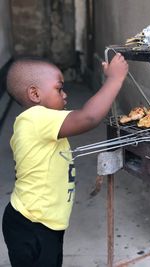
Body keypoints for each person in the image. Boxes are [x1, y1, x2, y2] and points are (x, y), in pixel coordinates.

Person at [2, 53, 128, 267]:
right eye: (59, 89)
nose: (65, 95)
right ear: (34, 94)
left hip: (44, 223)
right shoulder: (35, 119)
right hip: (32, 225)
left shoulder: (36, 125)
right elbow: (88, 117)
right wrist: (114, 79)